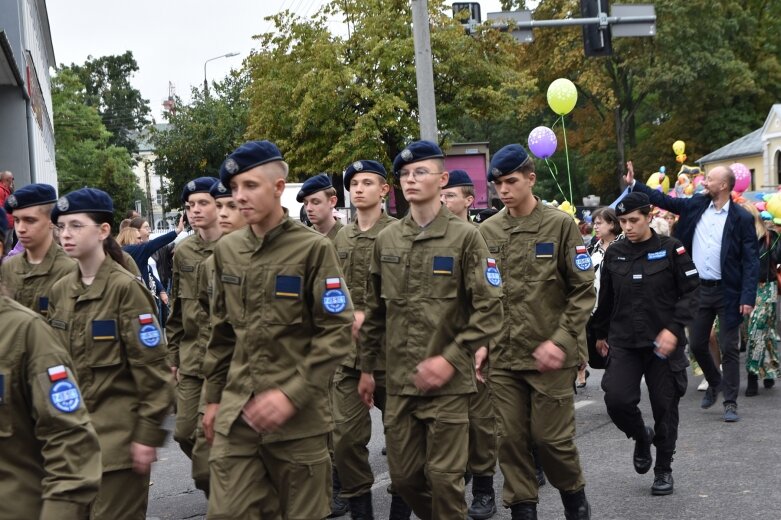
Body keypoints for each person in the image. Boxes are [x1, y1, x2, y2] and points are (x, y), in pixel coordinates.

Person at [202, 140, 353, 519]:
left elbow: (336, 331)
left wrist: (290, 395)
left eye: (250, 186)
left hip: (298, 421)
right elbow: (220, 335)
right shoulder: (227, 251)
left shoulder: (313, 250)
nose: (239, 197)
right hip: (238, 414)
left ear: (277, 186)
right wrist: (213, 399)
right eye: (234, 188)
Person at [358, 140, 504, 519]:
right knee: (405, 480)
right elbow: (374, 311)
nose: (410, 179)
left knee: (444, 479)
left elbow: (489, 309)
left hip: (450, 386)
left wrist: (452, 359)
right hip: (400, 382)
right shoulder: (387, 239)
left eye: (420, 172)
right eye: (404, 174)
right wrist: (366, 368)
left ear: (442, 180)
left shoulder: (466, 237)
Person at [479, 144, 594, 520]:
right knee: (509, 442)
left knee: (550, 442)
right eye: (498, 184)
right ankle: (522, 510)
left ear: (531, 178)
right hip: (503, 356)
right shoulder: (487, 231)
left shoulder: (560, 225)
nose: (504, 190)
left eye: (511, 181)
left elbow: (582, 291)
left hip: (550, 357)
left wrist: (561, 342)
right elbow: (480, 293)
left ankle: (574, 499)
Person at [47, 188, 173, 519]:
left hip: (117, 449)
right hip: (69, 448)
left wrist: (147, 437)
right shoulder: (61, 291)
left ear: (104, 231)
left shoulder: (125, 289)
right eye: (60, 226)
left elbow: (155, 373)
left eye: (76, 225)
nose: (66, 234)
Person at [626, 162, 759, 422]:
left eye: (709, 179)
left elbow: (751, 260)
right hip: (698, 289)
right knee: (697, 344)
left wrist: (747, 296)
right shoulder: (696, 204)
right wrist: (635, 184)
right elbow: (664, 200)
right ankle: (714, 381)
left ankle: (730, 402)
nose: (704, 182)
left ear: (723, 185)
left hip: (728, 291)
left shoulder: (741, 218)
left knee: (729, 347)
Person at [592, 192, 700, 496]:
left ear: (649, 217)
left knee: (665, 406)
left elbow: (692, 291)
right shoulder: (615, 253)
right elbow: (607, 299)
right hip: (625, 340)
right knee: (616, 400)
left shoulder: (671, 249)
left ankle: (663, 469)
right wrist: (599, 334)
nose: (627, 227)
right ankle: (641, 435)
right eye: (622, 221)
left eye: (633, 220)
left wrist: (674, 329)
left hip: (662, 343)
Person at [332, 159, 404, 519]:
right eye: (354, 183)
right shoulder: (340, 237)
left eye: (367, 183)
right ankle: (361, 507)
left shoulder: (400, 234)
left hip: (392, 354)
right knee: (343, 438)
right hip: (349, 356)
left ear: (384, 190)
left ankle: (401, 507)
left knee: (403, 442)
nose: (358, 189)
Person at [440, 168, 499, 519]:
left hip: (473, 342)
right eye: (441, 194)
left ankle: (484, 489)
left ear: (467, 200)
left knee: (480, 422)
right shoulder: (429, 237)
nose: (444, 200)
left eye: (450, 195)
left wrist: (484, 343)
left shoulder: (481, 236)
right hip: (440, 346)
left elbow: (492, 295)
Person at [166, 176, 221, 494]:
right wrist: (172, 357)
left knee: (206, 444)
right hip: (190, 358)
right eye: (190, 206)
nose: (195, 210)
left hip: (222, 358)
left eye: (203, 203)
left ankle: (224, 495)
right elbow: (175, 309)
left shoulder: (234, 246)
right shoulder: (183, 252)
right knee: (184, 433)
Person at [1, 184, 75, 315]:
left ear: (52, 221)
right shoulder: (8, 268)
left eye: (30, 220)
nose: (20, 229)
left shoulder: (70, 269)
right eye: (17, 220)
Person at [740, 202, 781, 395]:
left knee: (758, 330)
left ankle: (752, 374)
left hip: (767, 288)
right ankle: (769, 369)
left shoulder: (770, 237)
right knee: (757, 332)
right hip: (746, 289)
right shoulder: (737, 238)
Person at [583, 207, 621, 376]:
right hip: (594, 309)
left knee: (617, 359)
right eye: (594, 224)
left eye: (599, 223)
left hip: (617, 310)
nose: (595, 227)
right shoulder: (591, 247)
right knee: (599, 358)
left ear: (612, 224)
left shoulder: (624, 246)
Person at [298, 174, 344, 240]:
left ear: (332, 201)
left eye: (315, 202)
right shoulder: (303, 240)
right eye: (305, 203)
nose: (308, 208)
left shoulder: (348, 237)